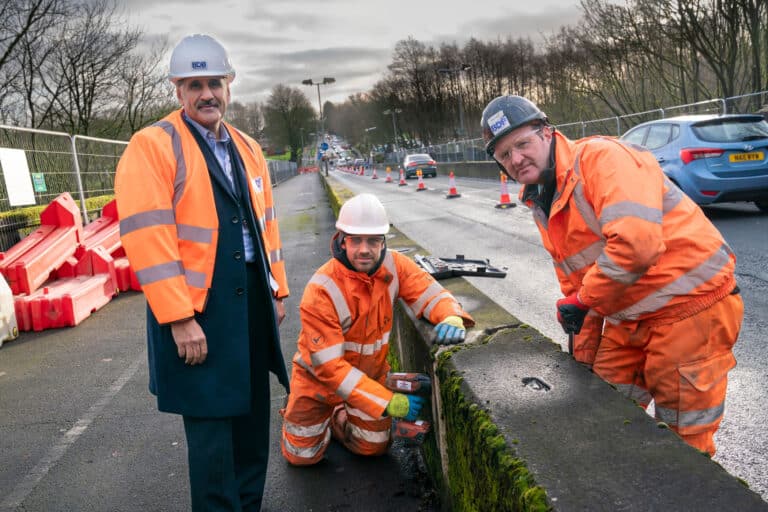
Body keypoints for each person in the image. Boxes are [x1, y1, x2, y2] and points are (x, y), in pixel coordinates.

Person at [480, 95, 744, 456]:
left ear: (547, 133)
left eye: (522, 144)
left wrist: (583, 301)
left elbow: (637, 246)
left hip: (691, 310)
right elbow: (579, 291)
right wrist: (580, 361)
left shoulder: (602, 160)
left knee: (684, 442)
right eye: (504, 154)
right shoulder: (541, 200)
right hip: (628, 317)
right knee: (600, 410)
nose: (516, 159)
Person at [115, 33, 290, 511]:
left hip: (253, 301)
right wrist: (179, 317)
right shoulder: (152, 146)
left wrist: (277, 290)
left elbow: (266, 225)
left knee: (254, 427)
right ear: (178, 91)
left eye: (214, 82)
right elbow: (148, 238)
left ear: (229, 85)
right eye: (194, 84)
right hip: (199, 312)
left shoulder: (249, 147)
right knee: (214, 443)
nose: (206, 93)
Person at [280, 193, 474, 465]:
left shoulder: (395, 265)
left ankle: (339, 416)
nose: (364, 249)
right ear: (342, 239)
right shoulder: (322, 289)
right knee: (302, 456)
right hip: (318, 385)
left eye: (373, 240)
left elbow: (429, 291)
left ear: (383, 241)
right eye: (356, 240)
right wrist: (387, 402)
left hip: (367, 378)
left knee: (372, 448)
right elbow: (330, 369)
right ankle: (327, 410)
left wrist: (451, 315)